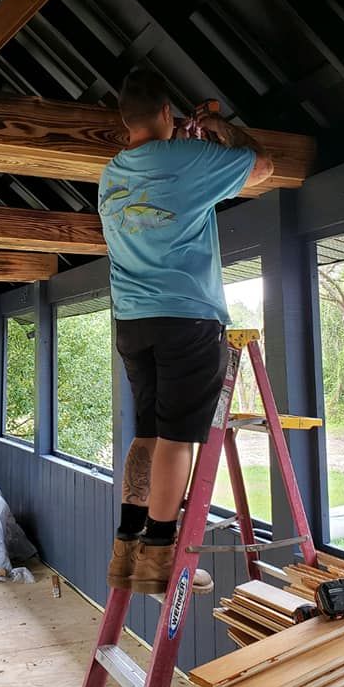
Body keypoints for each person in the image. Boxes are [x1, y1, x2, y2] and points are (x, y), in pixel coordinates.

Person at [99, 68, 274, 595]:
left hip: (132, 323)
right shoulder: (189, 159)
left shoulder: (111, 175)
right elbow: (262, 167)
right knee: (178, 440)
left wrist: (189, 142)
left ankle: (127, 548)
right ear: (167, 115)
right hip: (187, 319)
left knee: (148, 434)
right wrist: (223, 128)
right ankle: (161, 558)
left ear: (125, 121)